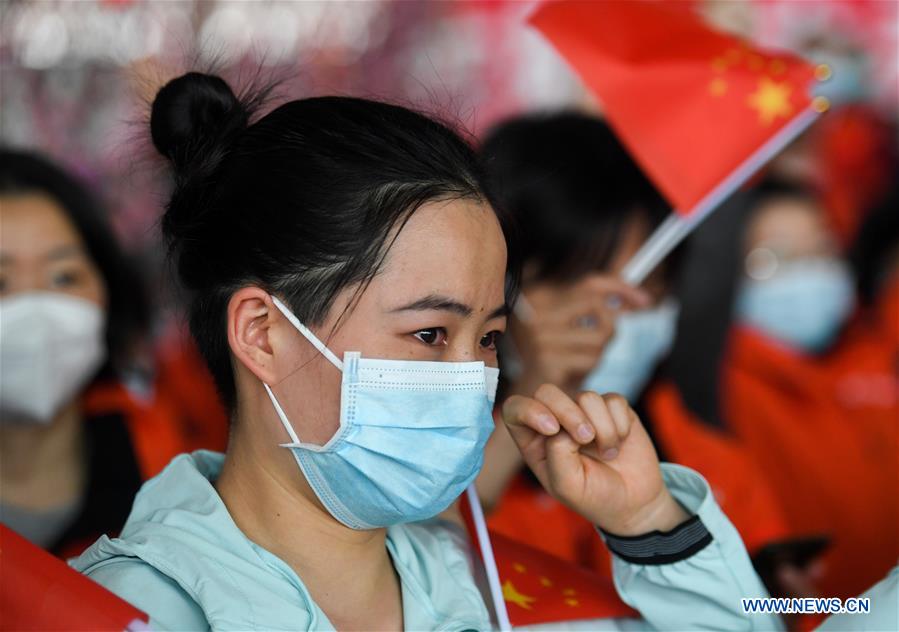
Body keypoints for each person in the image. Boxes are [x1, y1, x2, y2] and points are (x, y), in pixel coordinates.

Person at [71, 73, 780, 631]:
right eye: (430, 335)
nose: (473, 378)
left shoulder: (490, 586)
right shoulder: (127, 613)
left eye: (491, 339)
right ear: (262, 332)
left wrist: (650, 526)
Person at [475, 113, 809, 599]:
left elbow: (800, 611)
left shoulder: (713, 472)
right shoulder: (431, 451)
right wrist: (528, 404)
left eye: (644, 287)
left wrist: (770, 601)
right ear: (499, 286)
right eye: (573, 283)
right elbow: (421, 559)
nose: (608, 322)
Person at [670, 179, 898, 600]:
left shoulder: (876, 355)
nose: (809, 271)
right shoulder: (713, 380)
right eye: (776, 258)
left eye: (821, 250)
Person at [0, 150, 186, 557]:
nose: (35, 309)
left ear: (109, 293)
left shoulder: (168, 473)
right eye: (1, 283)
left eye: (63, 276)